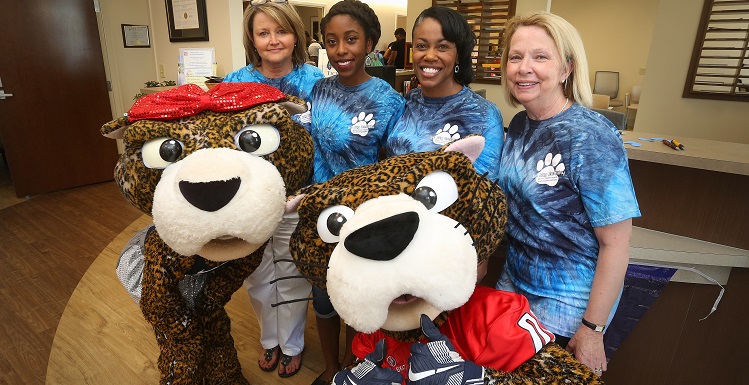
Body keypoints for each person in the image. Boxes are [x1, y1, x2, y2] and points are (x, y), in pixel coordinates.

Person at [495, 12, 641, 378]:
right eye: (516, 57)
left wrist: (592, 330)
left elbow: (616, 245)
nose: (524, 68)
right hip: (515, 287)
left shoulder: (591, 136)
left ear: (566, 69)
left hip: (566, 304)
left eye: (540, 57)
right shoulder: (518, 123)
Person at [223, 0, 324, 379]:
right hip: (248, 199)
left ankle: (293, 344)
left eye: (281, 31)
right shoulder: (235, 83)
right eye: (263, 33)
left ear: (295, 34)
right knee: (258, 273)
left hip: (299, 197)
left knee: (294, 272)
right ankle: (271, 340)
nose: (273, 40)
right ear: (252, 38)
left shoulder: (316, 82)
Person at [307, 1, 405, 383]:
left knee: (357, 300)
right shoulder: (320, 89)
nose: (341, 50)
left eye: (351, 39)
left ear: (369, 43)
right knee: (322, 297)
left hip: (363, 218)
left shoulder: (388, 99)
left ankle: (351, 368)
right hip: (320, 214)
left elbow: (391, 164)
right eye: (332, 41)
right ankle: (331, 368)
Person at [384, 6, 504, 283]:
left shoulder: (483, 115)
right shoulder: (404, 104)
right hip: (396, 239)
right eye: (422, 46)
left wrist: (478, 260)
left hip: (448, 250)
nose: (429, 56)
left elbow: (486, 196)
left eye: (443, 47)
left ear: (459, 54)